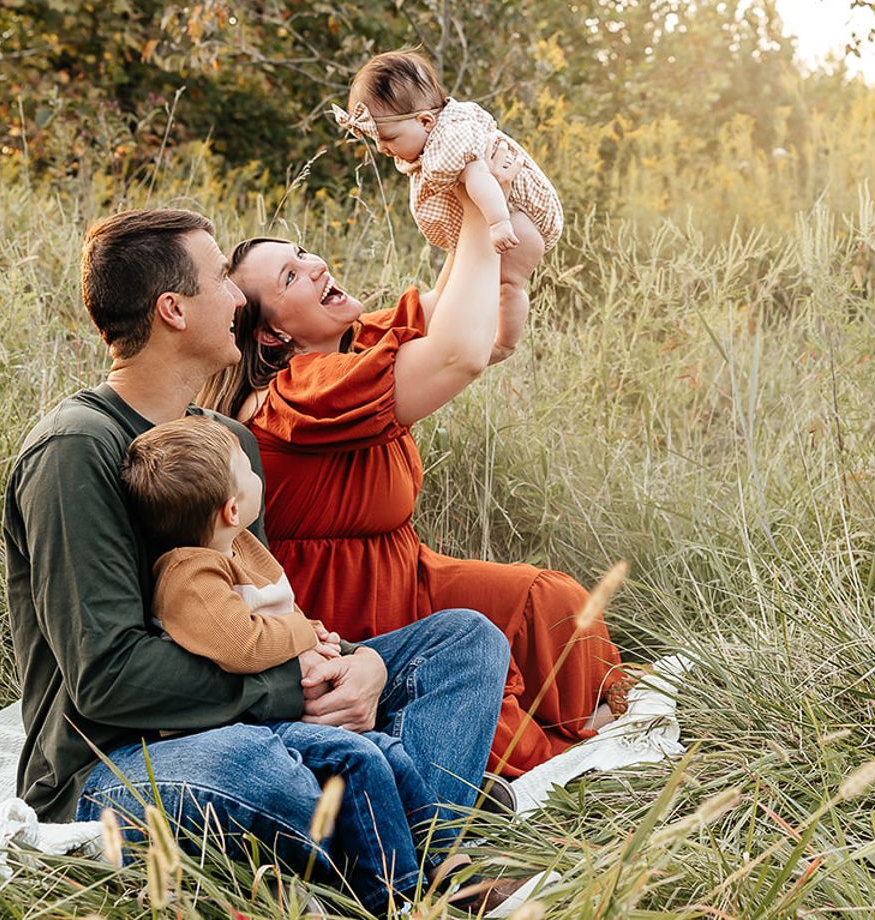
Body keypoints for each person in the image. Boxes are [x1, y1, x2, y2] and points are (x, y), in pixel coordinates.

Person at [3, 207, 512, 908]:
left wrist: (348, 662)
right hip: (109, 765)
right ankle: (425, 848)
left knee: (463, 643)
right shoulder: (76, 449)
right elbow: (107, 678)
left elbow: (264, 600)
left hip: (245, 712)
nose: (240, 298)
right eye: (222, 280)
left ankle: (400, 832)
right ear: (174, 310)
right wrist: (283, 692)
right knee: (256, 765)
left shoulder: (228, 445)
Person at [200, 180, 626, 780]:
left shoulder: (352, 348)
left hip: (406, 571)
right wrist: (483, 217)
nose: (315, 265)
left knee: (548, 599)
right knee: (491, 704)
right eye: (290, 278)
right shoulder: (301, 395)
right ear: (273, 335)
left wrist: (460, 173)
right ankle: (560, 758)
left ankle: (588, 723)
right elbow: (460, 354)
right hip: (345, 604)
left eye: (301, 253)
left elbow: (468, 315)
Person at [122, 414, 451, 911]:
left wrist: (322, 642)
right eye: (246, 471)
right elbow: (242, 643)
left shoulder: (241, 546)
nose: (258, 475)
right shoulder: (189, 575)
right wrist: (305, 633)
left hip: (285, 710)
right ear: (233, 508)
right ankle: (396, 898)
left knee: (391, 755)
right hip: (240, 725)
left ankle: (450, 869)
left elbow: (280, 615)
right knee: (357, 758)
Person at [330, 47, 561, 362]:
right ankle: (435, 324)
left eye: (390, 138)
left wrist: (498, 223)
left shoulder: (451, 141)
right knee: (453, 283)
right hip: (499, 215)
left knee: (509, 285)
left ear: (425, 121)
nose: (383, 148)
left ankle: (505, 343)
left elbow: (481, 177)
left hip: (520, 217)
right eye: (378, 141)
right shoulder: (431, 143)